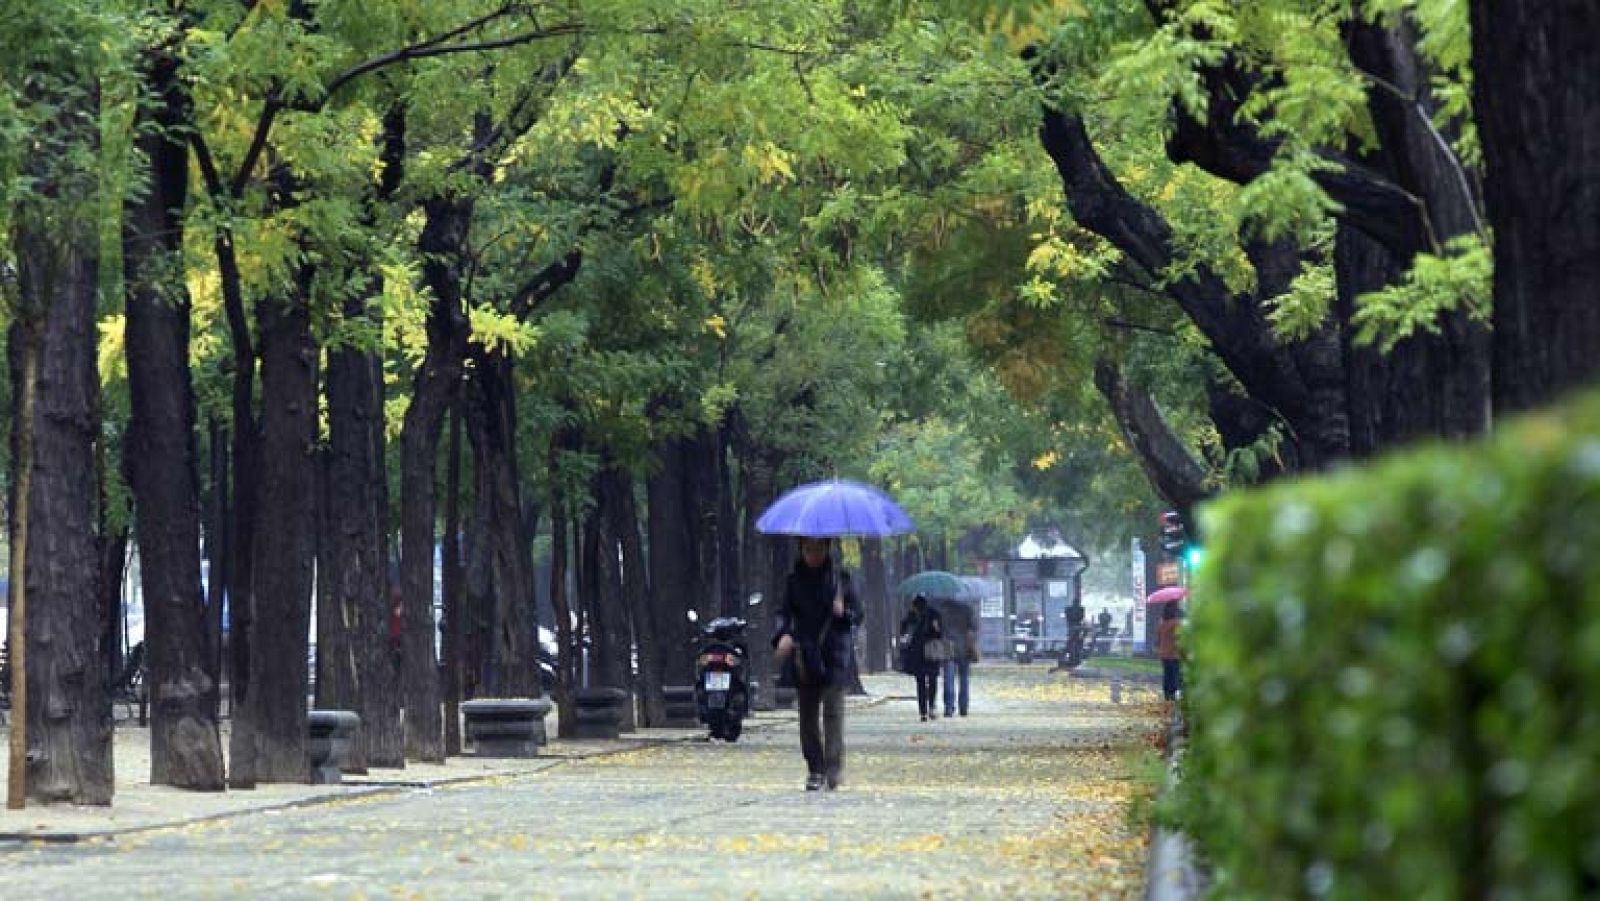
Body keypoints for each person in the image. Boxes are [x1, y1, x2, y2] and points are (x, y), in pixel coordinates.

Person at [773, 536, 862, 791]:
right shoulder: (793, 581)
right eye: (807, 549)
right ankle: (815, 769)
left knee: (833, 713)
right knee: (808, 717)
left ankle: (833, 768)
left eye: (818, 548)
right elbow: (784, 614)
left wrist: (842, 611)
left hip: (835, 654)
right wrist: (784, 635)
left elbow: (859, 614)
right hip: (806, 654)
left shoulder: (840, 580)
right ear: (801, 549)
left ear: (827, 548)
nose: (813, 554)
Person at [898, 595, 944, 722]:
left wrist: (936, 628)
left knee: (924, 682)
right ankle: (928, 708)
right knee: (928, 680)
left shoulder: (932, 614)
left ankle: (926, 709)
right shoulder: (913, 616)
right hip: (927, 652)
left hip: (924, 651)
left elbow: (904, 632)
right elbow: (904, 631)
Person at [940, 601, 977, 718]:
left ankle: (949, 707)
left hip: (948, 647)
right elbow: (972, 631)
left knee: (948, 678)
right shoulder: (967, 609)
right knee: (964, 679)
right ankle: (963, 707)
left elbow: (938, 630)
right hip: (964, 647)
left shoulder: (942, 611)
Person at [1157, 601, 1183, 702]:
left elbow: (1158, 637)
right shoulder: (1176, 623)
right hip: (1174, 654)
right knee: (1175, 675)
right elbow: (1178, 637)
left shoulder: (1161, 623)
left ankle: (1167, 695)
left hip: (1163, 653)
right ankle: (1173, 695)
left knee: (1167, 675)